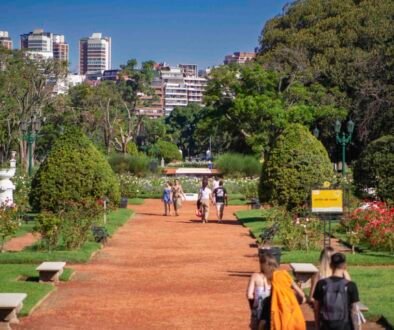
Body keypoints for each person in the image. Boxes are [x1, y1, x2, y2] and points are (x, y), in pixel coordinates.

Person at [313, 253, 362, 330]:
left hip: (326, 326)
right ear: (345, 265)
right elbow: (354, 310)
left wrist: (317, 326)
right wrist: (358, 328)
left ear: (331, 265)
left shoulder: (321, 284)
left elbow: (316, 308)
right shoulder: (350, 285)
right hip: (345, 326)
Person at [259, 253, 306, 330]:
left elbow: (263, 322)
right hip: (293, 318)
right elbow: (302, 296)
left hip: (279, 321)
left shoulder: (270, 300)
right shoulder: (284, 274)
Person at [247, 256, 272, 330]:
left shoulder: (255, 276)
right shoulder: (273, 276)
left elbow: (249, 295)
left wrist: (253, 306)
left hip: (258, 307)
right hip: (270, 307)